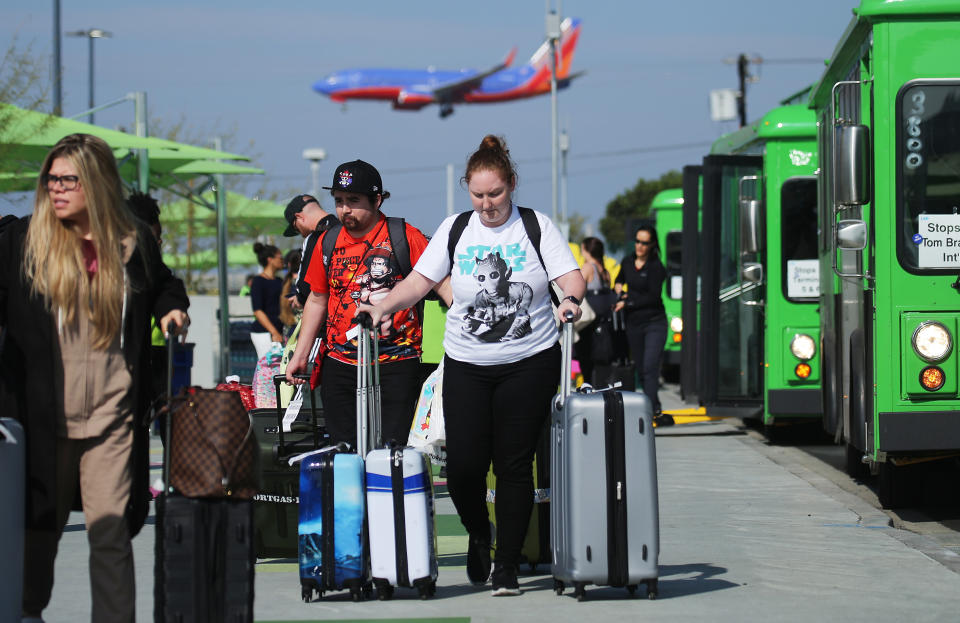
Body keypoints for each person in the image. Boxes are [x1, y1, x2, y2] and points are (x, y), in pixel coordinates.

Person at [356, 135, 585, 596]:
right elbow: (420, 280)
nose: (487, 205)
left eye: (495, 194)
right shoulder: (456, 229)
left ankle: (506, 566)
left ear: (512, 185)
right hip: (466, 363)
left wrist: (572, 301)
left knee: (514, 465)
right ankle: (480, 534)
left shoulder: (536, 227)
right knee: (462, 467)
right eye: (478, 195)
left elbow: (570, 276)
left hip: (530, 361)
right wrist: (383, 307)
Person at [0, 133, 190, 623]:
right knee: (38, 534)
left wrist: (171, 309)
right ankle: (26, 613)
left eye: (69, 179)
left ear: (98, 183)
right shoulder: (21, 243)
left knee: (110, 535)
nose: (56, 188)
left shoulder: (132, 243)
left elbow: (166, 283)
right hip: (43, 419)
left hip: (112, 419)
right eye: (51, 178)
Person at [285, 159, 445, 448]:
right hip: (340, 364)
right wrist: (301, 353)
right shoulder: (327, 241)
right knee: (344, 451)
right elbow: (318, 299)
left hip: (397, 363)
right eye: (339, 201)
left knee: (391, 453)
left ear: (377, 199)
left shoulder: (405, 237)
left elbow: (442, 286)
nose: (345, 209)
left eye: (354, 201)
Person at [613, 224, 670, 425]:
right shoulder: (627, 262)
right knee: (640, 368)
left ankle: (652, 408)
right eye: (637, 241)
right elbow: (619, 280)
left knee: (650, 366)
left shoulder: (656, 267)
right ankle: (653, 404)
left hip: (654, 322)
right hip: (633, 323)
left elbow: (653, 297)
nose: (639, 246)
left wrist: (628, 301)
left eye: (644, 243)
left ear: (652, 245)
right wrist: (619, 287)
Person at [281, 193, 339, 310]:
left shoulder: (314, 239)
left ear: (299, 217)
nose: (301, 234)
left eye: (296, 228)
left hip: (329, 317)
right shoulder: (347, 229)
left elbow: (305, 288)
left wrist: (299, 299)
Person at [575, 236, 614, 384]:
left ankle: (588, 388)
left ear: (586, 251)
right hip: (603, 324)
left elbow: (577, 287)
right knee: (600, 363)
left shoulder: (588, 268)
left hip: (589, 322)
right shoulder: (604, 271)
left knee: (587, 361)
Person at [249, 242, 285, 358]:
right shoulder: (258, 281)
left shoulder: (280, 281)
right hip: (264, 332)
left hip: (279, 331)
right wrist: (274, 332)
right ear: (270, 259)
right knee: (267, 367)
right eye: (280, 256)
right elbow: (257, 310)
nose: (282, 259)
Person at [278, 248, 302, 338]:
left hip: (289, 330)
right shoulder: (305, 284)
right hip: (303, 331)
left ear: (289, 264)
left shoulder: (286, 283)